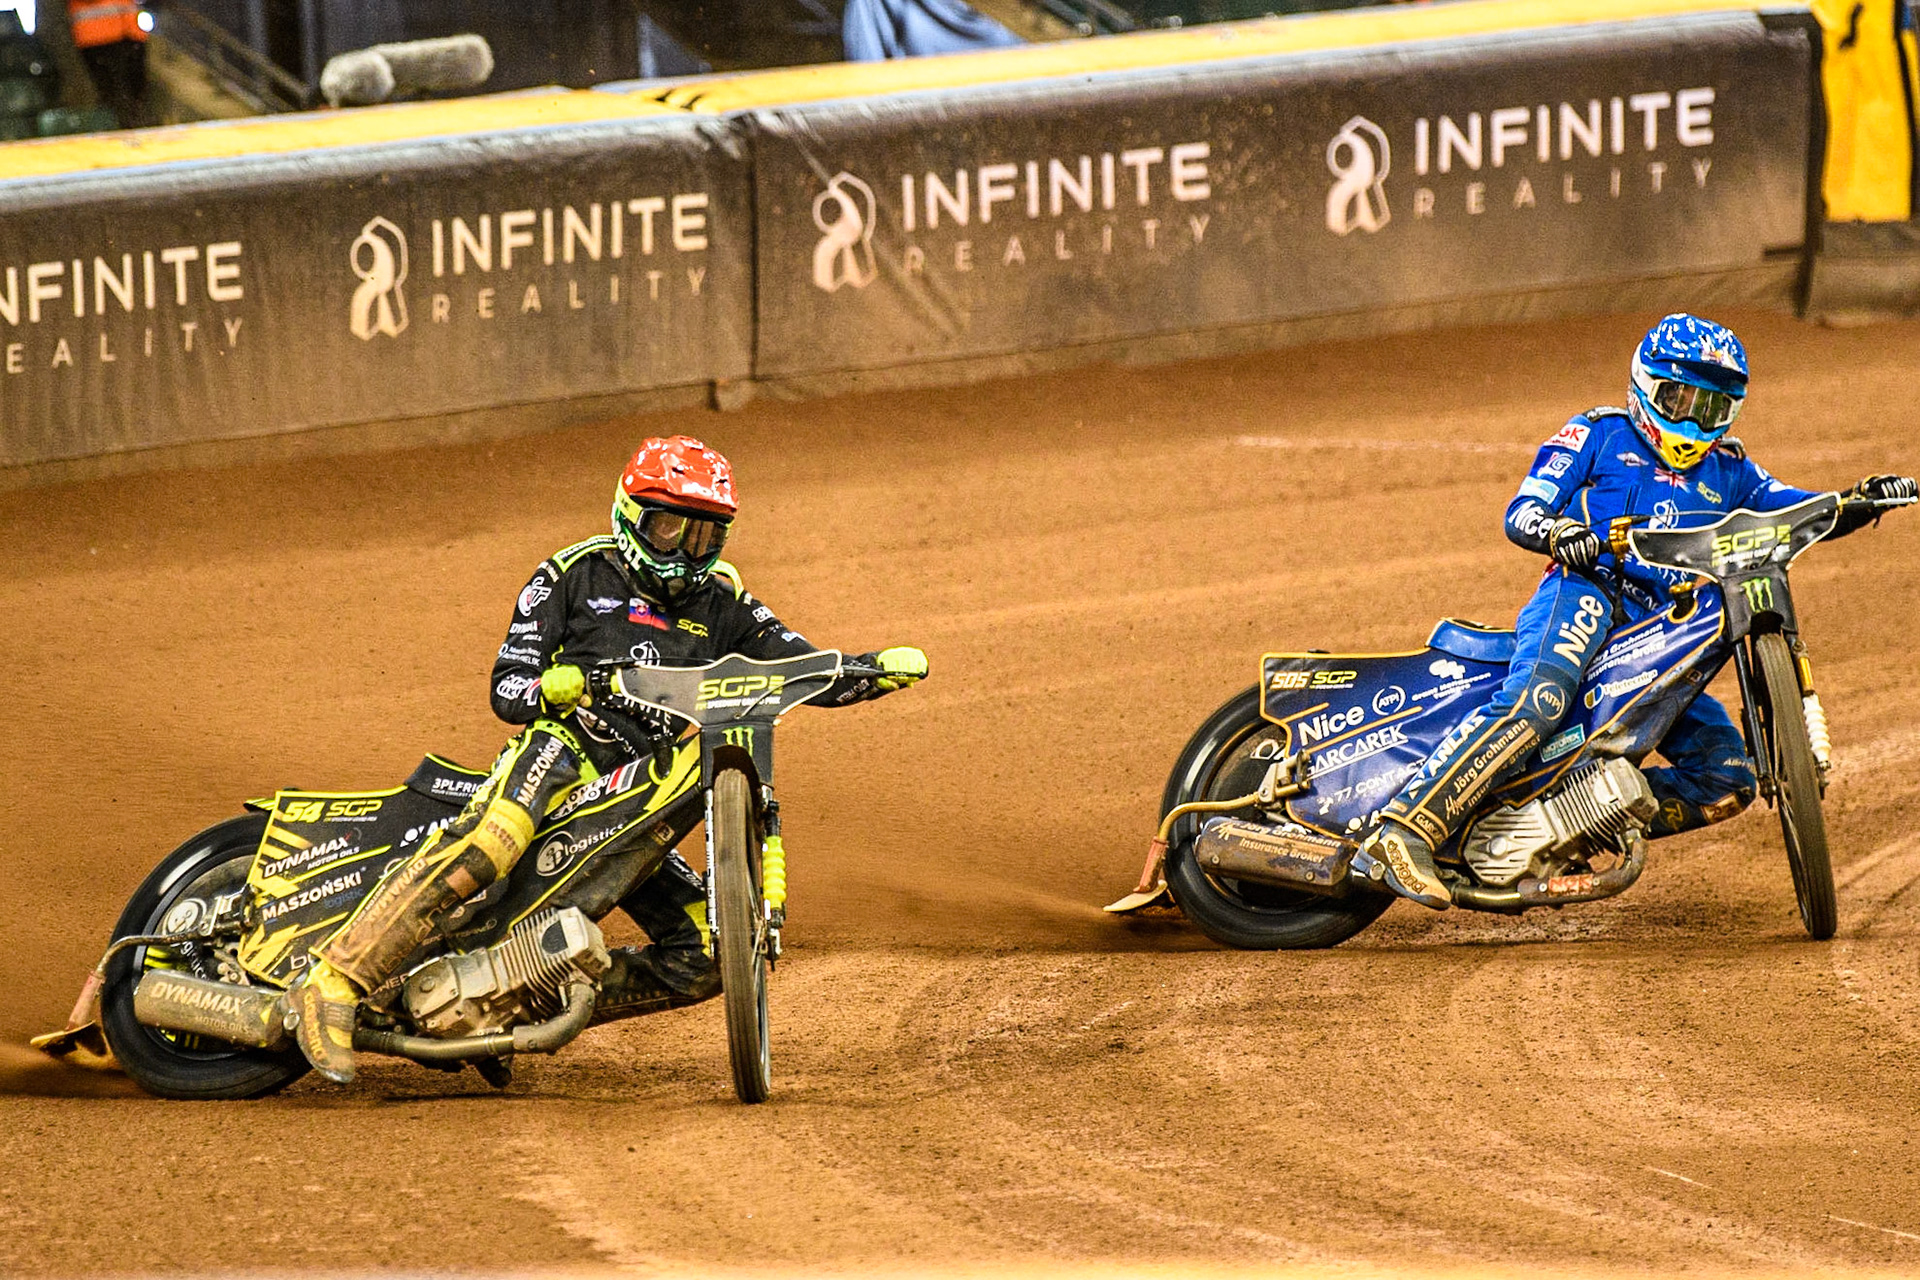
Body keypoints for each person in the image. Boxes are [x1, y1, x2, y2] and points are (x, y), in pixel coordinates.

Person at [287, 435, 930, 1082]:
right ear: (630, 513)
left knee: (707, 955)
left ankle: (514, 1004)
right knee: (496, 838)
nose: (686, 550)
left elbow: (796, 665)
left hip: (633, 789)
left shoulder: (725, 603)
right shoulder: (572, 573)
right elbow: (506, 688)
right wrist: (551, 688)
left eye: (706, 536)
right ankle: (334, 981)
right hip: (561, 751)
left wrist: (867, 671)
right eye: (670, 526)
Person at [1358, 314, 1916, 909]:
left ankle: (1564, 821)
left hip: (1662, 636)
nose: (1697, 422)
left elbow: (1794, 510)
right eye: (1683, 400)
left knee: (1728, 776)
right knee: (1537, 702)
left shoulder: (1729, 469)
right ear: (1647, 387)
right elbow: (1521, 509)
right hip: (1587, 594)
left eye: (1713, 408)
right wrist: (1559, 531)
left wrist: (1857, 502)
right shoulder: (1598, 433)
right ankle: (1405, 829)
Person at [67, 0, 149, 127]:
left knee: (137, 89)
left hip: (130, 31)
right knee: (114, 93)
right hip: (98, 36)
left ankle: (137, 126)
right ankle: (125, 128)